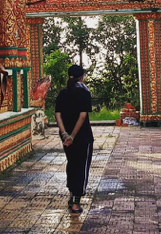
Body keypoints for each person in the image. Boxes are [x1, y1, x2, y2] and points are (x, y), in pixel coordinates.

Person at [54, 64, 94, 214]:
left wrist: (65, 134)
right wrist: (73, 136)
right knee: (81, 167)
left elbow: (57, 114)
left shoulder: (63, 93)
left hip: (66, 137)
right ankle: (76, 203)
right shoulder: (84, 93)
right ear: (81, 78)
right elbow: (82, 116)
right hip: (82, 136)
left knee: (72, 164)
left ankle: (71, 196)